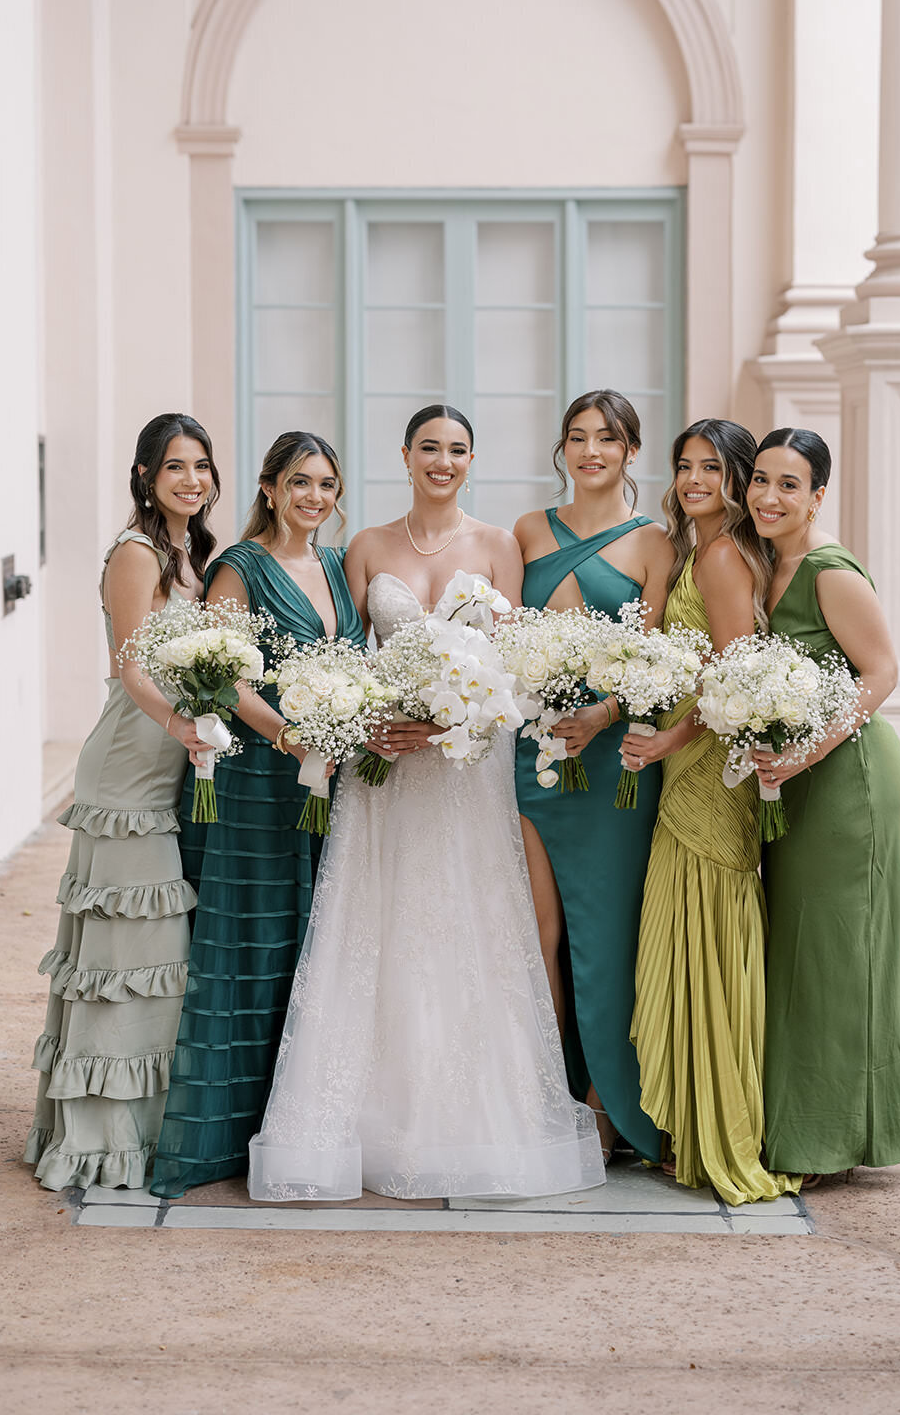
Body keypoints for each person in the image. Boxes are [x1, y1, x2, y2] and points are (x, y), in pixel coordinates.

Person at [248, 405, 604, 1202]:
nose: (443, 462)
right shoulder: (367, 547)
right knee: (383, 924)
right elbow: (340, 654)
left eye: (458, 450)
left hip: (470, 769)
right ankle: (367, 1122)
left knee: (475, 923)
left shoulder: (499, 545)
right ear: (405, 455)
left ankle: (478, 1121)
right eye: (429, 448)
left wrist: (462, 713)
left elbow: (515, 662)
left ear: (472, 460)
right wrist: (372, 718)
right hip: (391, 766)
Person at [150, 432, 364, 1198]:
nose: (315, 497)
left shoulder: (341, 567)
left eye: (327, 485)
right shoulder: (238, 568)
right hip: (251, 782)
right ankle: (223, 1139)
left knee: (312, 944)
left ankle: (296, 1125)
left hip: (323, 779)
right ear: (270, 489)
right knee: (248, 945)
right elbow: (223, 676)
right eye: (300, 482)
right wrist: (286, 730)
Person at [25, 413, 219, 1191]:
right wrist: (180, 721)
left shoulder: (193, 555)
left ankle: (140, 1124)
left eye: (201, 466)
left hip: (173, 768)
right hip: (128, 773)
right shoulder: (136, 553)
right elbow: (130, 666)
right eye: (175, 467)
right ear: (145, 476)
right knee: (125, 960)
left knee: (153, 962)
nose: (192, 480)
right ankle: (100, 1141)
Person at [625, 418, 800, 1204]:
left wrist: (667, 745)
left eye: (711, 468)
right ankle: (692, 1124)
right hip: (678, 765)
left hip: (707, 773)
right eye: (684, 465)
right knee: (681, 927)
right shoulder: (694, 550)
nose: (694, 479)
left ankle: (717, 1127)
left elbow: (733, 682)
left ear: (735, 478)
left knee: (708, 925)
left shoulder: (725, 556)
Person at [748, 427, 900, 1180]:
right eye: (760, 479)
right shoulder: (767, 565)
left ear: (818, 495)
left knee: (840, 954)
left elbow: (881, 672)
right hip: (797, 779)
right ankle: (806, 1125)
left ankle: (839, 1137)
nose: (769, 496)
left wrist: (806, 753)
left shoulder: (828, 570)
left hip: (846, 778)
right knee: (802, 949)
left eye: (790, 484)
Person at [512, 390, 672, 1166]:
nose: (590, 452)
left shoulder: (653, 543)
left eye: (606, 439)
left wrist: (604, 715)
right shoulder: (528, 531)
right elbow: (504, 639)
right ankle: (548, 1101)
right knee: (539, 936)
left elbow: (656, 661)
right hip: (536, 758)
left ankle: (608, 1103)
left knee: (605, 937)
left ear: (631, 452)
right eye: (577, 438)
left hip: (613, 769)